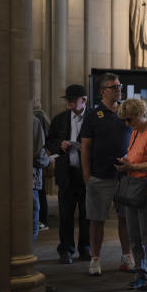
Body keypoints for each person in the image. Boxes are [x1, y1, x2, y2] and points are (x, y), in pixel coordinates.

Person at [80, 73, 133, 276]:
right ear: (102, 91)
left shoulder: (126, 111)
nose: (118, 89)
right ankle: (95, 259)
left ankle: (127, 256)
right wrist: (87, 176)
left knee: (125, 218)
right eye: (113, 87)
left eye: (119, 85)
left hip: (126, 176)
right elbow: (85, 147)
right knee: (96, 219)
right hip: (100, 176)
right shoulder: (93, 115)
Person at [116, 98, 147, 292]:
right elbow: (134, 155)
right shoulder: (136, 131)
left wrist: (132, 166)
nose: (127, 124)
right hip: (134, 187)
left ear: (139, 114)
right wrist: (125, 161)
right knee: (134, 235)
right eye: (124, 121)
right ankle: (140, 272)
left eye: (129, 120)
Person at [47, 84, 91, 264]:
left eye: (73, 100)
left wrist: (86, 148)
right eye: (68, 100)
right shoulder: (60, 119)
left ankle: (85, 248)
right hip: (67, 174)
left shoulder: (93, 118)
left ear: (84, 100)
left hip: (87, 174)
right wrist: (60, 145)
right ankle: (65, 249)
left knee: (87, 215)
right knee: (65, 215)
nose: (70, 103)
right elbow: (49, 142)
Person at [32, 111, 50, 246]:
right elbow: (39, 155)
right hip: (29, 180)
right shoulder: (32, 121)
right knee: (32, 226)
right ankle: (24, 264)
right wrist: (47, 160)